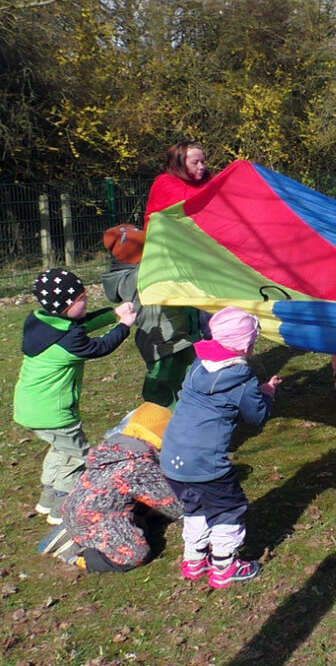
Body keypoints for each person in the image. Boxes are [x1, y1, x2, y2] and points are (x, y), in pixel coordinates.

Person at [160, 307, 282, 589]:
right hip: (206, 463)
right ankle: (224, 566)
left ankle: (194, 560)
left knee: (195, 507)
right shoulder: (241, 377)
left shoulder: (196, 366)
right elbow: (257, 416)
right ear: (246, 345)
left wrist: (256, 391)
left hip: (171, 457)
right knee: (228, 509)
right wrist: (268, 394)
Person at [14, 268, 137, 524]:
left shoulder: (40, 321)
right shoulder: (68, 342)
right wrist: (123, 326)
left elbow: (81, 324)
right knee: (81, 457)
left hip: (30, 407)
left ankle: (47, 499)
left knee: (61, 450)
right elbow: (99, 346)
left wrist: (112, 314)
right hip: (54, 413)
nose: (86, 301)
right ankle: (64, 510)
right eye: (81, 299)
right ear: (64, 305)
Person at [37, 403, 184, 572]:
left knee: (145, 512)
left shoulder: (114, 448)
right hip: (98, 519)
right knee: (135, 553)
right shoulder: (139, 467)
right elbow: (173, 504)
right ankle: (79, 557)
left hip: (77, 507)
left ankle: (72, 531)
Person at [101, 223, 200, 407]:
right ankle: (156, 415)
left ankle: (188, 409)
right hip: (160, 340)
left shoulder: (141, 270)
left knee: (188, 374)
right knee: (161, 380)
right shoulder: (131, 279)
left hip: (177, 333)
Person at [143, 141, 211, 228]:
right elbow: (193, 200)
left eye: (202, 162)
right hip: (167, 236)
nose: (201, 167)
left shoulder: (206, 180)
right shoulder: (165, 182)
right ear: (180, 164)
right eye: (195, 163)